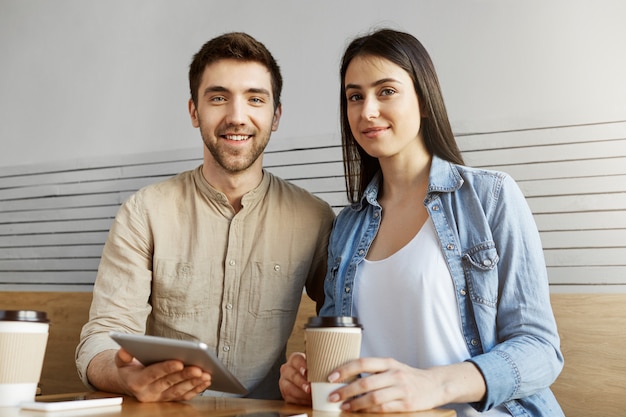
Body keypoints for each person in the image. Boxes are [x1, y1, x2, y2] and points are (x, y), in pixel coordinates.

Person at [279, 28, 564, 416]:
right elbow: (340, 363)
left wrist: (435, 384)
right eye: (355, 96)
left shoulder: (491, 197)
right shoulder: (346, 226)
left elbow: (540, 350)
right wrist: (311, 381)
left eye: (386, 91)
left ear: (424, 100)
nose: (367, 111)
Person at [76, 32, 335, 402]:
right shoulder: (144, 212)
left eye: (255, 99)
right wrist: (123, 376)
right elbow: (102, 334)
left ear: (275, 115)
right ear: (194, 112)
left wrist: (312, 370)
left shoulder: (315, 218)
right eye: (218, 98)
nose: (236, 117)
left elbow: (346, 317)